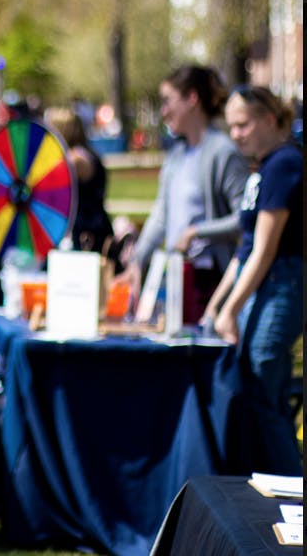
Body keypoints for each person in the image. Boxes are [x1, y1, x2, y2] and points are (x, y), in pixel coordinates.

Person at [204, 85, 303, 474]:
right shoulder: (263, 168)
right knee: (259, 392)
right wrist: (217, 304)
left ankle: (291, 494)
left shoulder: (284, 164)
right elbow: (245, 250)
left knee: (263, 389)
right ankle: (271, 488)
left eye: (243, 125)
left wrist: (231, 309)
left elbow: (264, 251)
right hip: (264, 283)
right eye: (231, 127)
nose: (236, 135)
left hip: (283, 283)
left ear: (269, 118)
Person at [117, 64, 248, 324]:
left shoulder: (223, 152)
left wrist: (196, 231)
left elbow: (245, 219)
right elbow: (161, 215)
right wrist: (137, 261)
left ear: (192, 99)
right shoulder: (176, 156)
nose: (163, 112)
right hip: (178, 277)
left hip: (211, 282)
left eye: (167, 102)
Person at [46, 107, 115, 261]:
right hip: (91, 225)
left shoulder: (75, 158)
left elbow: (48, 175)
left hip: (87, 230)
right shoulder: (85, 153)